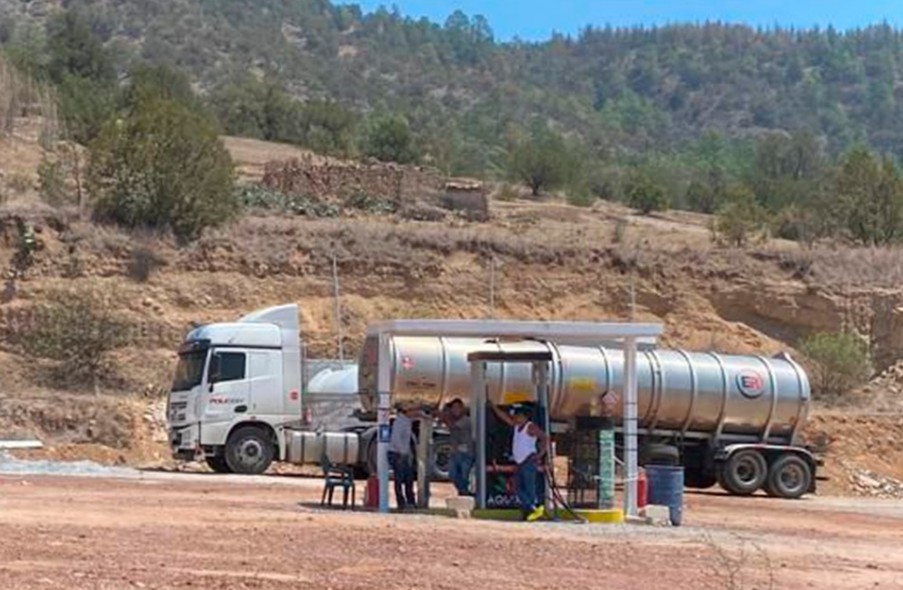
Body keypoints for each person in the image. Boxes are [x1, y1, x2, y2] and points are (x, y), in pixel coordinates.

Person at [491, 402, 549, 522]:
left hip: (528, 461)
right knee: (516, 487)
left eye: (518, 416)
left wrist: (540, 454)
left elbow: (544, 437)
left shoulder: (530, 427)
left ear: (525, 417)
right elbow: (505, 418)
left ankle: (532, 509)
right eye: (516, 416)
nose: (516, 418)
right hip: (520, 463)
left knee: (529, 487)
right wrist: (494, 407)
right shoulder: (517, 426)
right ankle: (530, 508)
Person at [388, 403, 422, 510]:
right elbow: (396, 439)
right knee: (400, 478)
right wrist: (403, 452)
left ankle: (410, 501)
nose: (416, 413)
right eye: (414, 410)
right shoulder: (400, 422)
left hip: (403, 453)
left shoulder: (407, 421)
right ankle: (401, 503)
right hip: (397, 453)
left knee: (408, 478)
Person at [439, 398, 474, 496]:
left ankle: (465, 494)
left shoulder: (465, 420)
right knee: (452, 475)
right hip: (455, 453)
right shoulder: (453, 419)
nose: (454, 410)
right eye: (453, 408)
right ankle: (463, 493)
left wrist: (444, 416)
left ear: (462, 408)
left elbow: (453, 426)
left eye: (456, 407)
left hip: (466, 454)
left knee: (464, 477)